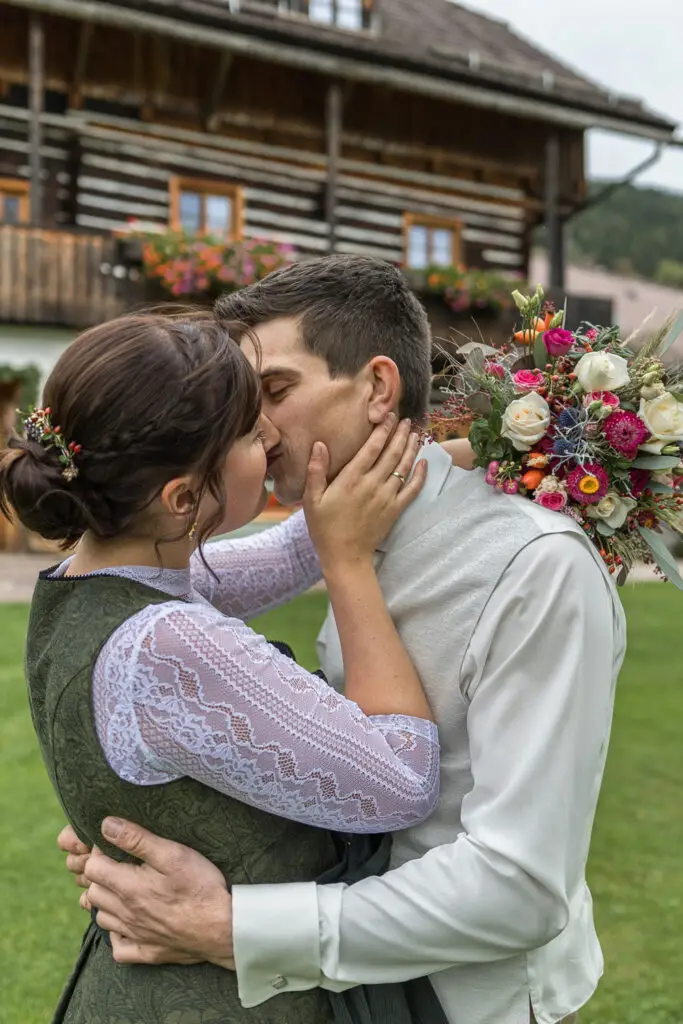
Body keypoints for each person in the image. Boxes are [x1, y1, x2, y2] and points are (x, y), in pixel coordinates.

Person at [63, 256, 627, 1024]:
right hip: (337, 983)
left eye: (274, 392)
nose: (252, 427)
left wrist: (233, 927)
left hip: (465, 999)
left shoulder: (534, 568)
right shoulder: (340, 533)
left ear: (377, 388)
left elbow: (519, 887)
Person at [0, 311, 461, 1024]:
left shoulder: (86, 579)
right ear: (183, 498)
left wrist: (443, 457)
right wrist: (348, 566)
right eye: (250, 433)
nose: (271, 436)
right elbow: (401, 783)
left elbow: (281, 557)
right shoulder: (169, 644)